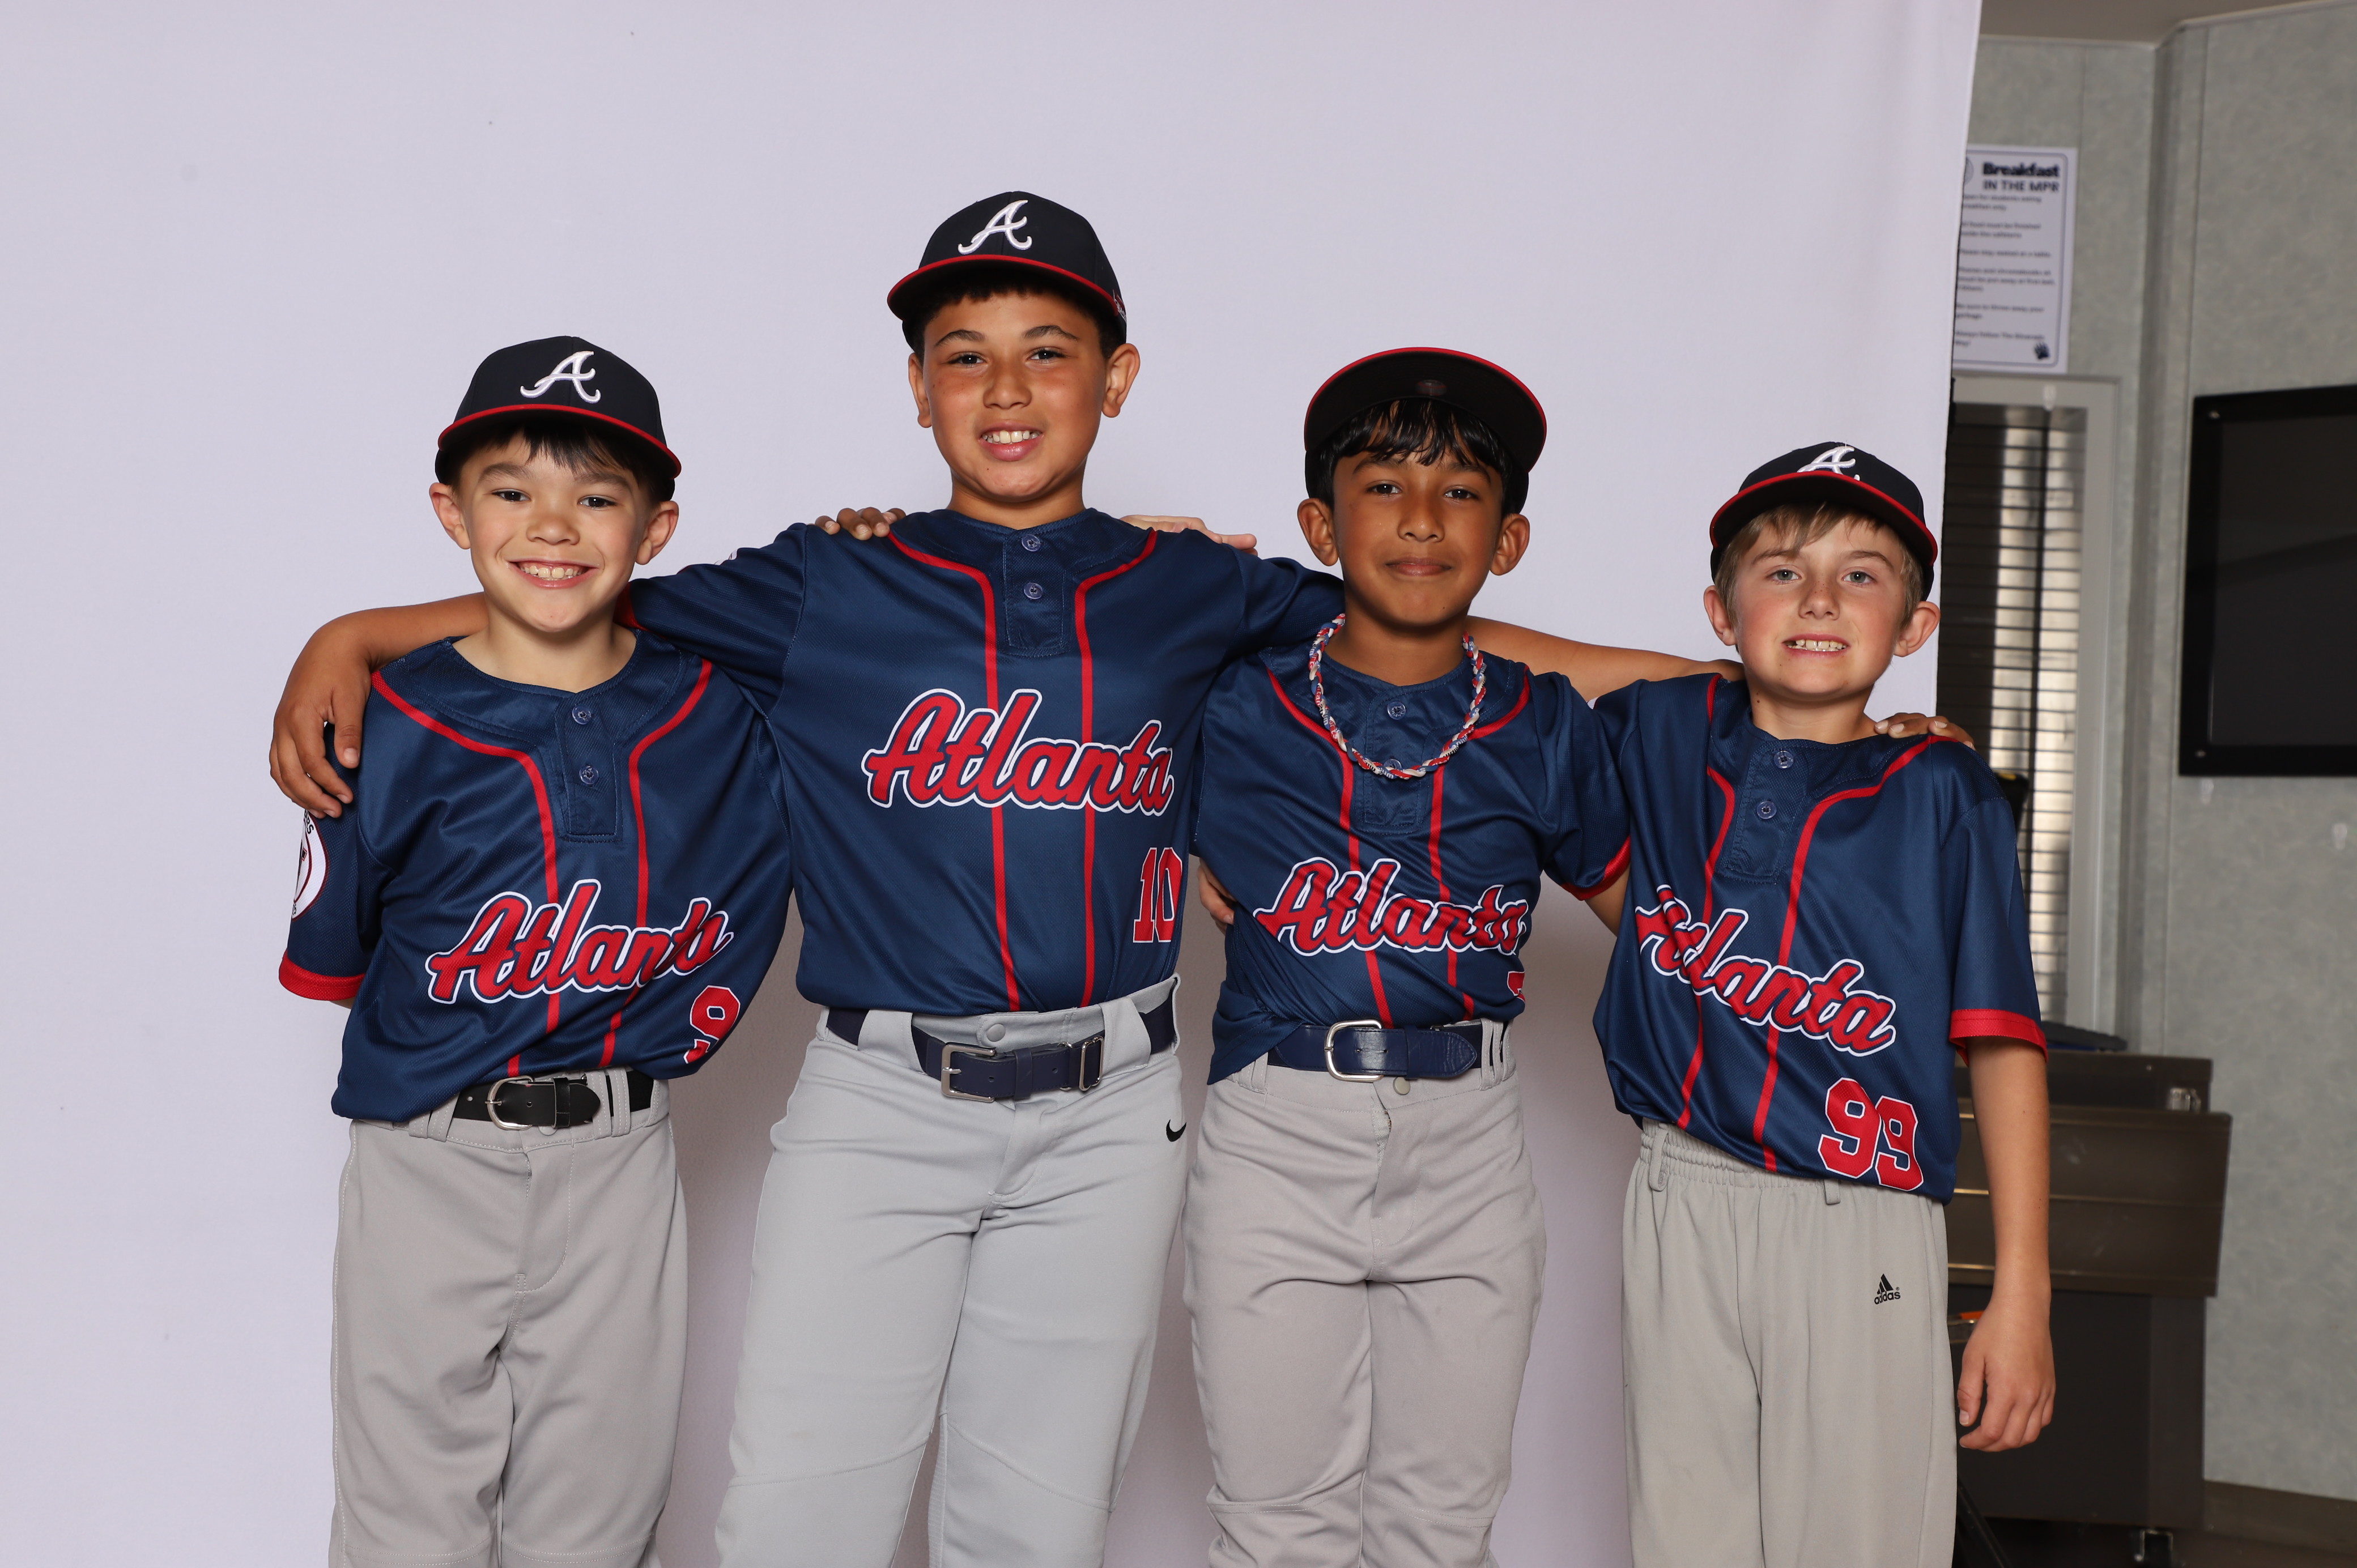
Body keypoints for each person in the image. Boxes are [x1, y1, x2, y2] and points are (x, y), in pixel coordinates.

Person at [266, 195, 1821, 1568]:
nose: (1006, 388)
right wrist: (357, 634)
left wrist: (1777, 694)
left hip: (1106, 1115)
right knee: (799, 1520)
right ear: (918, 387)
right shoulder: (828, 580)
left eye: (1048, 351)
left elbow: (1440, 633)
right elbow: (575, 603)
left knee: (1033, 1529)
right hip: (880, 1099)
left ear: (1116, 377)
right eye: (965, 353)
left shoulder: (1192, 586)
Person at [280, 337, 794, 1568]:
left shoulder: (725, 709)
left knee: (599, 1522)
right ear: (451, 511)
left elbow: (930, 612)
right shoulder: (379, 722)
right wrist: (346, 638)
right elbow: (343, 968)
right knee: (407, 1524)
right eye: (512, 489)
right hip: (428, 1154)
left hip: (623, 1152)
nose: (553, 526)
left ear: (656, 528)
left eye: (597, 497)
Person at [1183, 350, 1624, 1567]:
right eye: (1383, 485)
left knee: (1442, 1528)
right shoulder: (1230, 704)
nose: (1422, 518)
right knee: (1276, 1526)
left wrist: (1843, 729)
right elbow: (1075, 739)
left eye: (1462, 491)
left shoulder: (1543, 721)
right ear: (1320, 527)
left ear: (1508, 540)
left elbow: (1660, 927)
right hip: (1278, 1127)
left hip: (1469, 1139)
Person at [1580, 442, 2056, 1567]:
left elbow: (2003, 1045)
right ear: (1722, 609)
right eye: (1783, 572)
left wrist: (2022, 1292)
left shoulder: (1942, 791)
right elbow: (1447, 642)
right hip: (1680, 1191)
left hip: (1859, 1214)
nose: (1821, 599)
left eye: (1862, 576)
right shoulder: (1665, 734)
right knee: (1686, 1544)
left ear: (1915, 627)